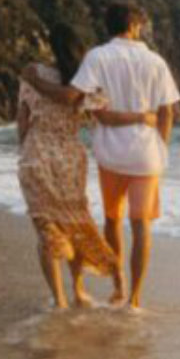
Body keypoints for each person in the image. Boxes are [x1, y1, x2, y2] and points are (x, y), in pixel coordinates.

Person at [16, 24, 158, 310]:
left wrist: (25, 150)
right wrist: (142, 117)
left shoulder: (32, 73)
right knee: (74, 222)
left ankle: (60, 300)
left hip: (36, 154)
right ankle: (79, 289)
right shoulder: (86, 80)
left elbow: (22, 119)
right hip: (70, 156)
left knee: (46, 227)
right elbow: (106, 117)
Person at [67, 2, 180, 310]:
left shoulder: (97, 56)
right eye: (140, 24)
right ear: (133, 26)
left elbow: (84, 100)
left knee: (112, 219)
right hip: (146, 155)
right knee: (141, 224)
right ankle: (136, 298)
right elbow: (167, 112)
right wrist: (161, 146)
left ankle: (118, 285)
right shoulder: (155, 61)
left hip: (110, 154)